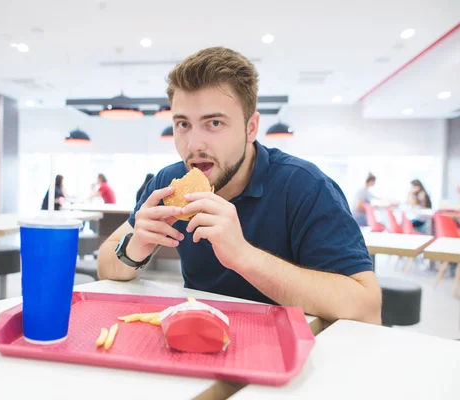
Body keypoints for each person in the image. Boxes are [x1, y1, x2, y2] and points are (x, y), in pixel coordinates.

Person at [97, 47, 381, 324]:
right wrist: (134, 249)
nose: (193, 145)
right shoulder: (168, 183)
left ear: (251, 128)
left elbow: (366, 307)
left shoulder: (304, 186)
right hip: (197, 341)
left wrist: (244, 256)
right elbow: (105, 265)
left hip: (288, 354)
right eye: (183, 124)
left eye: (215, 123)